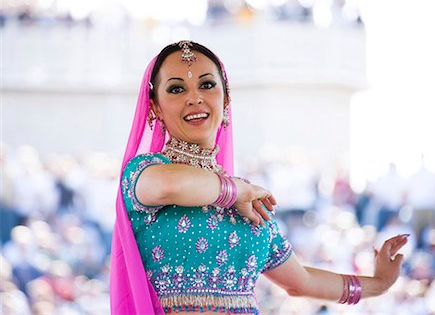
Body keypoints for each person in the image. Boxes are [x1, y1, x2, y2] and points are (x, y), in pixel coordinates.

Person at [110, 41, 408, 315]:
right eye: (177, 89)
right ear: (155, 107)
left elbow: (301, 281)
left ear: (226, 99)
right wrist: (236, 190)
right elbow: (170, 186)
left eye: (207, 84)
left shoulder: (248, 200)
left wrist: (378, 284)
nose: (195, 98)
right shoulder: (145, 172)